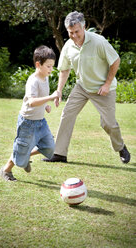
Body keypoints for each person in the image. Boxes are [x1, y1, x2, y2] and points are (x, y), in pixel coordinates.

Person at [43, 11, 130, 164]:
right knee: (67, 114)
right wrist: (59, 90)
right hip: (82, 87)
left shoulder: (99, 42)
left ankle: (120, 147)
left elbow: (115, 61)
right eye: (71, 33)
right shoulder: (69, 46)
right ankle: (59, 153)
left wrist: (107, 84)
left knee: (108, 123)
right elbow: (64, 69)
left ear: (84, 27)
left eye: (77, 31)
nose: (74, 35)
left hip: (103, 89)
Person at [0, 45, 60, 181]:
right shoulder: (33, 81)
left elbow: (40, 98)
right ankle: (6, 170)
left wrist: (46, 105)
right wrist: (51, 97)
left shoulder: (46, 78)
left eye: (52, 66)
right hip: (27, 123)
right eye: (48, 66)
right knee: (20, 151)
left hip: (40, 122)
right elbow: (31, 102)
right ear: (38, 64)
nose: (51, 69)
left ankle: (26, 156)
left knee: (50, 147)